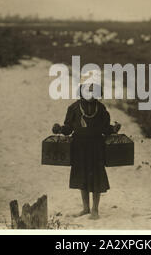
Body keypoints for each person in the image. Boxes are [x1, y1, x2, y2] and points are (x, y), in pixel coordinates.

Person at [52, 82, 121, 220]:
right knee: (81, 176)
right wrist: (59, 129)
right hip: (79, 146)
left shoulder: (101, 109)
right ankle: (85, 208)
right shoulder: (73, 108)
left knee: (96, 177)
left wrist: (113, 129)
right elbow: (68, 128)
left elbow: (105, 128)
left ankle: (95, 209)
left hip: (96, 146)